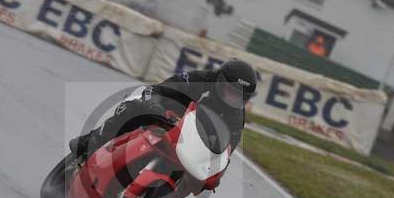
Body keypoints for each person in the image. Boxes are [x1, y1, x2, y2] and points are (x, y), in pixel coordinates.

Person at [69, 59, 258, 159]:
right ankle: (90, 141)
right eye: (230, 90)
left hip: (189, 142)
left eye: (238, 95)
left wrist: (217, 168)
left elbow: (228, 148)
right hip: (163, 115)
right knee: (134, 104)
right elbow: (158, 89)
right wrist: (153, 105)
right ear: (219, 79)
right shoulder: (199, 79)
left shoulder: (236, 115)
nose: (232, 97)